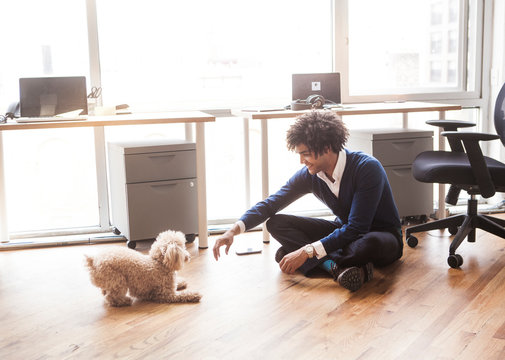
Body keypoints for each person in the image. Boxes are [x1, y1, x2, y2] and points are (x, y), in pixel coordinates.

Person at [213, 110, 403, 291]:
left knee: (365, 245)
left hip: (379, 236)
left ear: (326, 148)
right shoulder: (310, 174)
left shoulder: (367, 168)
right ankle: (336, 267)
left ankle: (308, 258)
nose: (302, 161)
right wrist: (232, 231)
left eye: (305, 154)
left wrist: (305, 251)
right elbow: (272, 203)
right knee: (276, 223)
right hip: (344, 233)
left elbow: (357, 228)